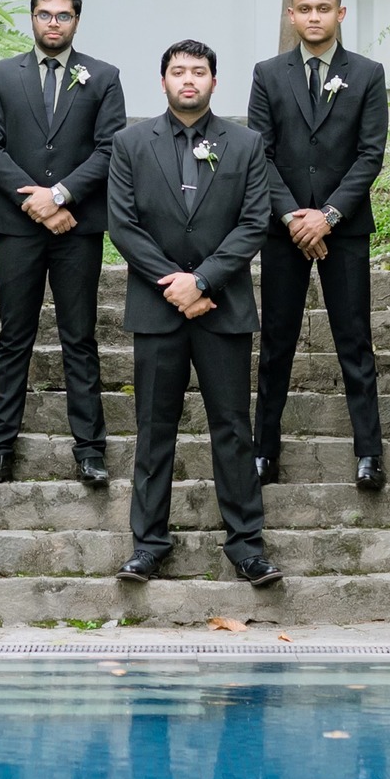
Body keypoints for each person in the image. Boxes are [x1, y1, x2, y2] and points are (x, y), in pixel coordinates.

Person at [105, 40, 280, 586]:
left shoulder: (245, 144)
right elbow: (123, 225)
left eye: (198, 71)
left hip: (222, 308)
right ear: (163, 81)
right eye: (178, 71)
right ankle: (148, 544)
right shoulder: (130, 143)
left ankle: (246, 546)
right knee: (153, 429)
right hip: (157, 310)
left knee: (233, 428)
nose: (188, 79)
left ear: (213, 82)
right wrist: (175, 285)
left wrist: (202, 281)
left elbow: (254, 222)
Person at [0, 0, 127, 488]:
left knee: (79, 338)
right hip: (16, 228)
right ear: (32, 17)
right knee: (14, 337)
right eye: (44, 14)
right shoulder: (0, 75)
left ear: (76, 19)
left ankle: (90, 451)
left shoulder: (103, 77)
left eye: (63, 15)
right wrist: (37, 204)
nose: (53, 23)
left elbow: (110, 149)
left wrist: (59, 196)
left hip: (77, 228)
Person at [246, 0, 390, 492]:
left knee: (355, 340)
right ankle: (264, 450)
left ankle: (369, 453)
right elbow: (258, 154)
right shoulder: (268, 74)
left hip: (344, 231)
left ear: (340, 13)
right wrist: (293, 217)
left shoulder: (367, 74)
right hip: (282, 230)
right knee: (276, 342)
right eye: (304, 9)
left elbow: (370, 155)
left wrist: (327, 216)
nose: (314, 17)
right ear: (291, 15)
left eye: (323, 8)